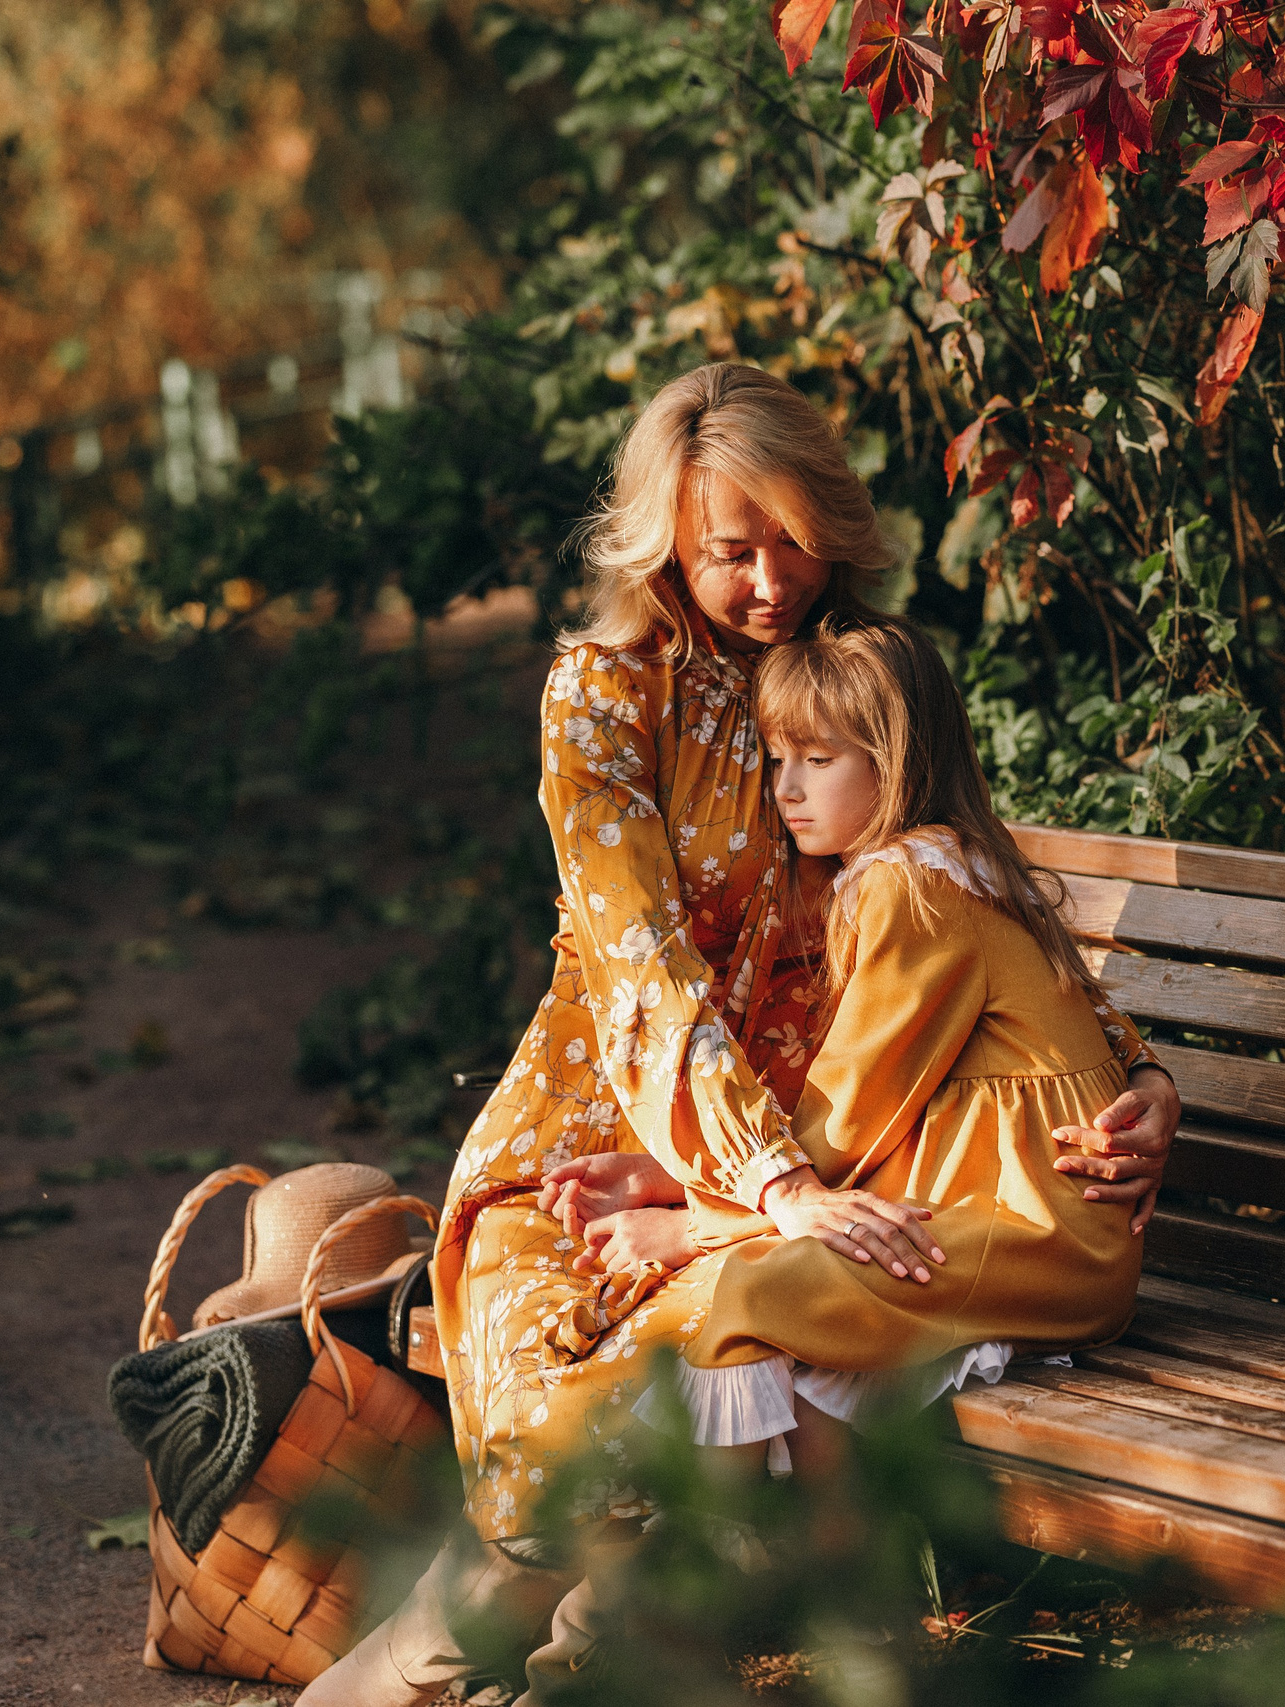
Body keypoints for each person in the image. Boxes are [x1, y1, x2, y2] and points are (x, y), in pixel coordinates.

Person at [298, 364, 1178, 1706]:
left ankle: (546, 1675)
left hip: (846, 1154)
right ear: (667, 542)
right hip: (609, 1140)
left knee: (732, 1351)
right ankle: (429, 1670)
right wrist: (756, 1186)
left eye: (793, 541)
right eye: (729, 550)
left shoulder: (854, 673)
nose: (771, 582)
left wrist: (1142, 1075)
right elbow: (643, 969)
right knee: (583, 1390)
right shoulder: (603, 693)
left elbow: (977, 888)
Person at [547, 613, 1153, 1457]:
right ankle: (821, 1535)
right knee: (792, 1306)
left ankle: (742, 1538)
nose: (786, 789)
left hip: (1041, 1236)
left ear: (896, 762)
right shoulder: (946, 862)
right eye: (778, 759)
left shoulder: (914, 887)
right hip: (1023, 1225)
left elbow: (850, 1117)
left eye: (818, 760)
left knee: (757, 1294)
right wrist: (671, 1178)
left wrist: (687, 1227)